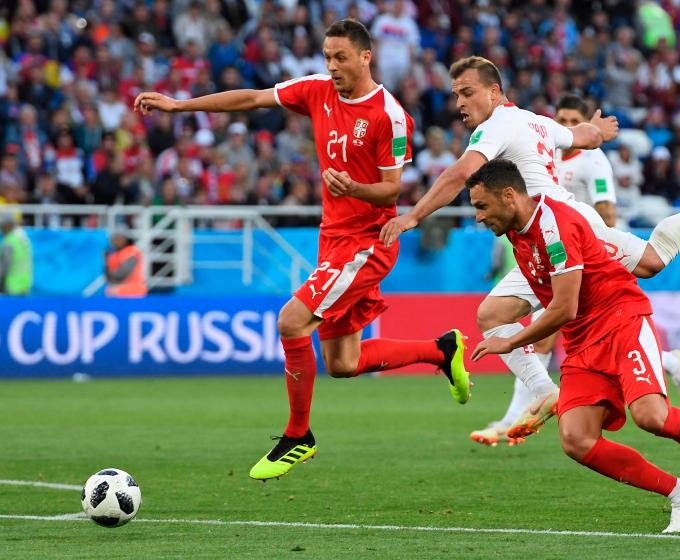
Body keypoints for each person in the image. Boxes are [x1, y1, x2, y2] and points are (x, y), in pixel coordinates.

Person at [380, 56, 680, 444]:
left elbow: (462, 172)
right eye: (454, 95)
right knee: (494, 314)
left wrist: (414, 216)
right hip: (545, 236)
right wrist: (599, 131)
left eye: (467, 92)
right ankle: (544, 391)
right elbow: (582, 138)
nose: (459, 103)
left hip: (567, 230)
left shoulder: (497, 125)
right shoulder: (537, 122)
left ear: (494, 91)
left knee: (651, 261)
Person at [134, 19, 471, 482]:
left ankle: (298, 437)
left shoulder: (389, 115)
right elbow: (251, 98)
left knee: (291, 320)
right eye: (327, 57)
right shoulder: (316, 90)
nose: (331, 66)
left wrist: (354, 185)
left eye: (340, 58)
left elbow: (391, 191)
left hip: (368, 244)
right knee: (343, 364)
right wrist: (179, 105)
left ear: (365, 57)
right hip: (332, 240)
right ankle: (440, 349)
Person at [468, 159, 680, 533]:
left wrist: (512, 341)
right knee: (576, 440)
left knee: (652, 416)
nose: (477, 218)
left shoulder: (554, 226)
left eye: (481, 207)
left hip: (621, 319)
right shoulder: (518, 234)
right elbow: (562, 309)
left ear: (508, 196)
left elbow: (563, 307)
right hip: (584, 340)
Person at [469, 94, 680, 447]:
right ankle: (524, 409)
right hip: (554, 251)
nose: (566, 125)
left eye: (573, 119)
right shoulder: (545, 158)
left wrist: (601, 252)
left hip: (585, 249)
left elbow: (605, 209)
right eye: (561, 118)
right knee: (527, 328)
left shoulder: (593, 161)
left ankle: (518, 414)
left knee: (648, 265)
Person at [104, 233, 147, 297]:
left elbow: (122, 274)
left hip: (134, 288)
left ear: (125, 240)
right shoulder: (114, 254)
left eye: (118, 239)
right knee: (108, 291)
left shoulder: (131, 252)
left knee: (111, 291)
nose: (115, 242)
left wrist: (111, 274)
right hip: (121, 286)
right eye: (114, 239)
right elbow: (108, 277)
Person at [0, 213, 32, 296]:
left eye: (2, 226)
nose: (1, 229)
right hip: (25, 283)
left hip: (11, 285)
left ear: (7, 226)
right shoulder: (23, 238)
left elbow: (4, 266)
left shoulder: (9, 241)